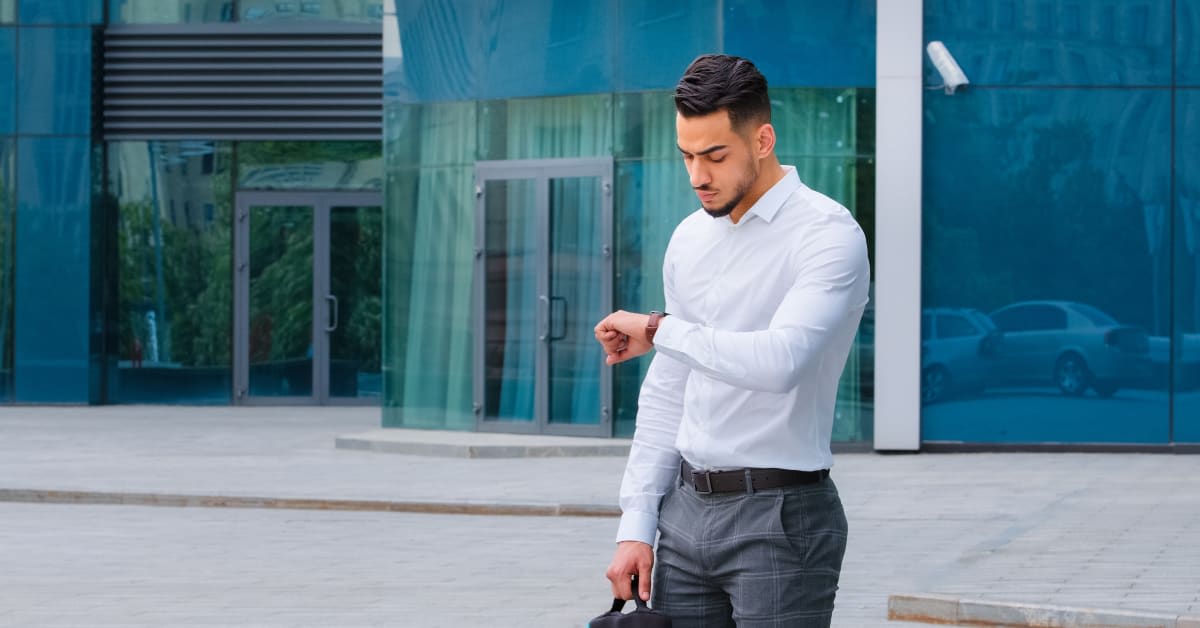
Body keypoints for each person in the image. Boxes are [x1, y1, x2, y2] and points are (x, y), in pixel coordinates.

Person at [593, 54, 871, 627]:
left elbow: (781, 362)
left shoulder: (828, 235)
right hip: (686, 510)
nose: (698, 175)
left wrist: (658, 329)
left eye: (715, 155)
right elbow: (669, 389)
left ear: (762, 139)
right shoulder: (689, 238)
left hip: (782, 513)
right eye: (687, 156)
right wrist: (636, 525)